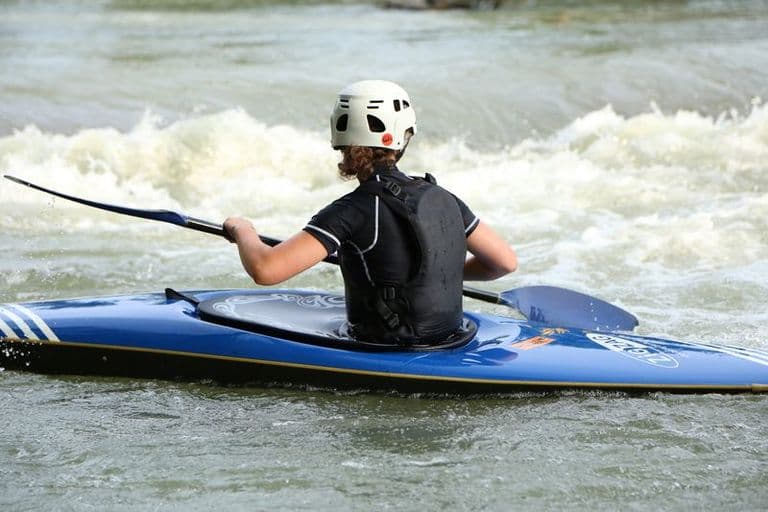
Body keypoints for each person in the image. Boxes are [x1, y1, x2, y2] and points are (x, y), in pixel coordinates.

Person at [224, 80, 517, 345]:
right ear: (404, 137)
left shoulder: (352, 210)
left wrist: (242, 230)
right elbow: (503, 263)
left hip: (385, 346)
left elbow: (266, 269)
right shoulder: (442, 197)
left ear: (340, 139)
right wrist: (433, 276)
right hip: (451, 338)